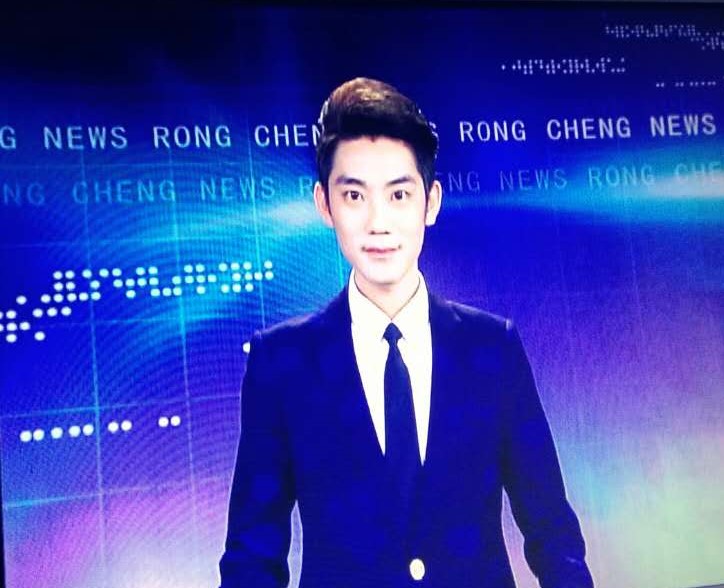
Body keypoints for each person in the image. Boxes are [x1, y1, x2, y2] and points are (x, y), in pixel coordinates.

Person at [219, 77, 594, 588]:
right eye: (354, 195)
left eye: (399, 194)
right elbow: (252, 557)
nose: (379, 222)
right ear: (324, 205)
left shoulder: (491, 348)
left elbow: (552, 532)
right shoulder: (282, 363)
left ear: (430, 202)